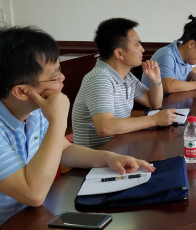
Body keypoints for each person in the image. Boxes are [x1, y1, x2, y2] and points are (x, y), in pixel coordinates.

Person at [0, 26, 155, 230]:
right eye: (55, 75)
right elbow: (33, 193)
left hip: (20, 221)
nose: (63, 78)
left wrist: (108, 158)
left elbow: (63, 149)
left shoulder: (30, 104)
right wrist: (58, 119)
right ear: (22, 91)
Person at [73, 18, 177, 149]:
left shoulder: (127, 76)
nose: (143, 49)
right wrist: (154, 120)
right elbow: (105, 127)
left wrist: (156, 80)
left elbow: (154, 103)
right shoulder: (99, 79)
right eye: (137, 45)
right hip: (97, 156)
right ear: (119, 53)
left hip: (118, 148)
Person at [142, 29, 196, 93]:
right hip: (160, 105)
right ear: (191, 44)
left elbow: (185, 74)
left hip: (174, 100)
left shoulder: (187, 57)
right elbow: (168, 86)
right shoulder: (167, 55)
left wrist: (193, 75)